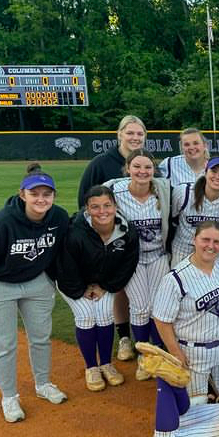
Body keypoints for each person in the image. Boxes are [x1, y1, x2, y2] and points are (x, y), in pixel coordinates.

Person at [0, 163, 69, 422]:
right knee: (5, 344)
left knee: (41, 337)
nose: (41, 199)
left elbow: (60, 252)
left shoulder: (58, 218)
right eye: (35, 194)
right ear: (22, 194)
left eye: (47, 194)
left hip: (35, 282)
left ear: (54, 196)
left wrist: (50, 279)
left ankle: (43, 384)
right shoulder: (1, 222)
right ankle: (9, 398)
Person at [152, 221, 219, 405]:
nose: (211, 246)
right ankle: (208, 389)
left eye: (217, 242)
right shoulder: (176, 278)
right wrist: (175, 351)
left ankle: (215, 386)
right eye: (205, 240)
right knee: (195, 408)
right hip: (193, 353)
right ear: (194, 240)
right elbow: (162, 320)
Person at [77, 114, 147, 364]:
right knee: (118, 288)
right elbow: (84, 202)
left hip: (143, 243)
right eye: (130, 133)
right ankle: (124, 337)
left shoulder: (146, 163)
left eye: (139, 134)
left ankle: (145, 341)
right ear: (119, 135)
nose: (135, 137)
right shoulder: (101, 163)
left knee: (140, 295)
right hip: (109, 239)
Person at [57, 185, 140, 392]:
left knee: (104, 315)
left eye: (107, 205)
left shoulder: (126, 230)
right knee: (86, 316)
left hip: (104, 284)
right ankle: (91, 367)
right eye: (95, 207)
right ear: (87, 209)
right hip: (73, 283)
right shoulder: (74, 230)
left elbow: (128, 265)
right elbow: (65, 266)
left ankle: (106, 363)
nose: (102, 211)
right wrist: (81, 289)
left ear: (115, 205)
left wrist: (106, 287)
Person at [103, 148, 171, 380]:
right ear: (128, 169)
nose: (143, 171)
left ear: (154, 170)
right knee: (141, 307)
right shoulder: (115, 189)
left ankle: (158, 352)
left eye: (147, 167)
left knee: (159, 306)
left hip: (159, 255)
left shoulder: (163, 188)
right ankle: (144, 355)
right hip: (132, 258)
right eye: (137, 166)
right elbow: (95, 203)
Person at [170, 157, 219, 267]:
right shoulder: (184, 192)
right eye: (213, 171)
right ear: (205, 172)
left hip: (212, 251)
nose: (218, 177)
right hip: (183, 249)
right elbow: (172, 218)